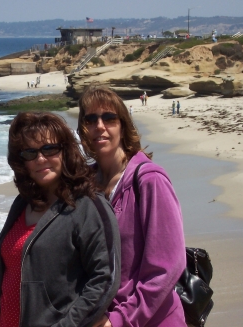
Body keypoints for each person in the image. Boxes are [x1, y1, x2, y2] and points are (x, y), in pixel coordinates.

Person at [0, 112, 121, 327]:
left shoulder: (88, 206)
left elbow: (104, 279)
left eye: (49, 149)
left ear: (65, 151)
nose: (40, 159)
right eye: (30, 153)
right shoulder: (23, 203)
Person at [77, 85, 186, 327]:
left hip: (149, 320)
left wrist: (120, 320)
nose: (100, 126)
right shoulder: (85, 184)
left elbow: (167, 267)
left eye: (109, 117)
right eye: (91, 119)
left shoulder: (149, 180)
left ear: (123, 125)